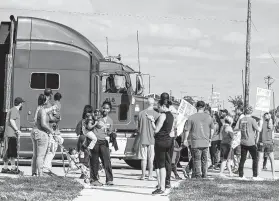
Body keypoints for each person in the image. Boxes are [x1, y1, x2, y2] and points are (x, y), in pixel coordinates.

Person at [147, 92, 174, 195]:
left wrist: (153, 123)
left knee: (160, 165)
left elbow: (156, 130)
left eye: (158, 106)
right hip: (168, 140)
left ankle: (161, 187)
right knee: (166, 163)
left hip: (160, 141)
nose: (158, 108)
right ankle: (164, 185)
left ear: (163, 105)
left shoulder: (162, 115)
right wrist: (153, 121)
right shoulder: (171, 115)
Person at [183, 101, 214, 179]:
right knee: (204, 160)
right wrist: (210, 138)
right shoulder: (209, 117)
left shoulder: (191, 117)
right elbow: (212, 129)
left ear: (196, 107)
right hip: (206, 142)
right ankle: (204, 175)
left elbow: (187, 130)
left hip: (195, 142)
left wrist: (185, 139)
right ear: (204, 107)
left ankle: (197, 175)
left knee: (196, 159)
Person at [90, 101, 114, 186]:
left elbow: (109, 132)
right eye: (104, 108)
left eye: (107, 108)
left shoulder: (110, 121)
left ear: (110, 110)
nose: (105, 110)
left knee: (106, 161)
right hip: (95, 141)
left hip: (104, 142)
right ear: (101, 108)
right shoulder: (97, 117)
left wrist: (111, 134)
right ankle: (93, 180)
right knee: (94, 161)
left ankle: (109, 179)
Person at [31, 94, 55, 176]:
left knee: (35, 155)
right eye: (47, 100)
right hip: (41, 133)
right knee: (41, 155)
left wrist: (52, 108)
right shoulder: (43, 111)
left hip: (34, 131)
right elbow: (43, 124)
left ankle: (34, 173)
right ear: (44, 101)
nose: (48, 101)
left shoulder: (38, 109)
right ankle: (40, 174)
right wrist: (51, 131)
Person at [137, 97, 160, 180]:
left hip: (143, 138)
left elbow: (138, 129)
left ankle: (143, 175)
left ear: (147, 103)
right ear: (153, 104)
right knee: (151, 159)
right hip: (152, 139)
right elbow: (158, 127)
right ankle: (150, 175)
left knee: (143, 158)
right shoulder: (157, 114)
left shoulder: (140, 113)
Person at [238, 106, 263, 180]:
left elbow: (240, 128)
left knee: (242, 159)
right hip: (251, 142)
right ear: (251, 112)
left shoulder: (241, 119)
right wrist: (260, 123)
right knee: (255, 158)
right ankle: (255, 176)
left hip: (243, 141)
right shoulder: (252, 120)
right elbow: (259, 130)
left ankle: (241, 175)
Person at [1, 97, 25, 174]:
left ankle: (5, 167)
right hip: (11, 134)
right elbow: (11, 120)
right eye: (22, 103)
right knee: (12, 152)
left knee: (7, 151)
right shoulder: (15, 110)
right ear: (20, 104)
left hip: (8, 133)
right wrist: (17, 130)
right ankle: (13, 168)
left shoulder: (11, 110)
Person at [43, 90, 62, 174]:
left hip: (47, 130)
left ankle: (47, 167)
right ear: (50, 95)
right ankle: (46, 168)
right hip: (51, 130)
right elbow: (51, 118)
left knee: (49, 150)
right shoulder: (51, 105)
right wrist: (58, 118)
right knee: (51, 150)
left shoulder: (43, 105)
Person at [257, 112, 277, 180]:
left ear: (264, 116)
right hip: (269, 143)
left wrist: (257, 141)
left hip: (262, 142)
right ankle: (273, 175)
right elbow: (273, 135)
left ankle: (258, 175)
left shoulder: (261, 122)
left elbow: (258, 132)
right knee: (272, 160)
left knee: (260, 160)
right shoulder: (271, 123)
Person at [76, 105, 93, 179]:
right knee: (86, 157)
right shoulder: (92, 121)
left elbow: (77, 132)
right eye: (88, 112)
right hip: (87, 141)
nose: (88, 113)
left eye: (89, 112)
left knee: (83, 157)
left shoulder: (82, 121)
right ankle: (85, 172)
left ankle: (84, 173)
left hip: (82, 140)